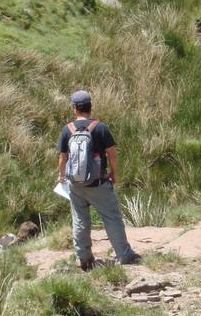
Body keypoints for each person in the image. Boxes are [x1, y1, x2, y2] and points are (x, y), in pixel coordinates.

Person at [58, 90, 140, 270]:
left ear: (74, 108)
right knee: (112, 218)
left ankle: (85, 259)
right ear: (90, 106)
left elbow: (63, 158)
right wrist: (113, 173)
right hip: (99, 183)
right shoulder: (100, 128)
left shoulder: (67, 130)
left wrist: (62, 177)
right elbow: (112, 154)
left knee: (80, 220)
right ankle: (124, 255)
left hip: (76, 185)